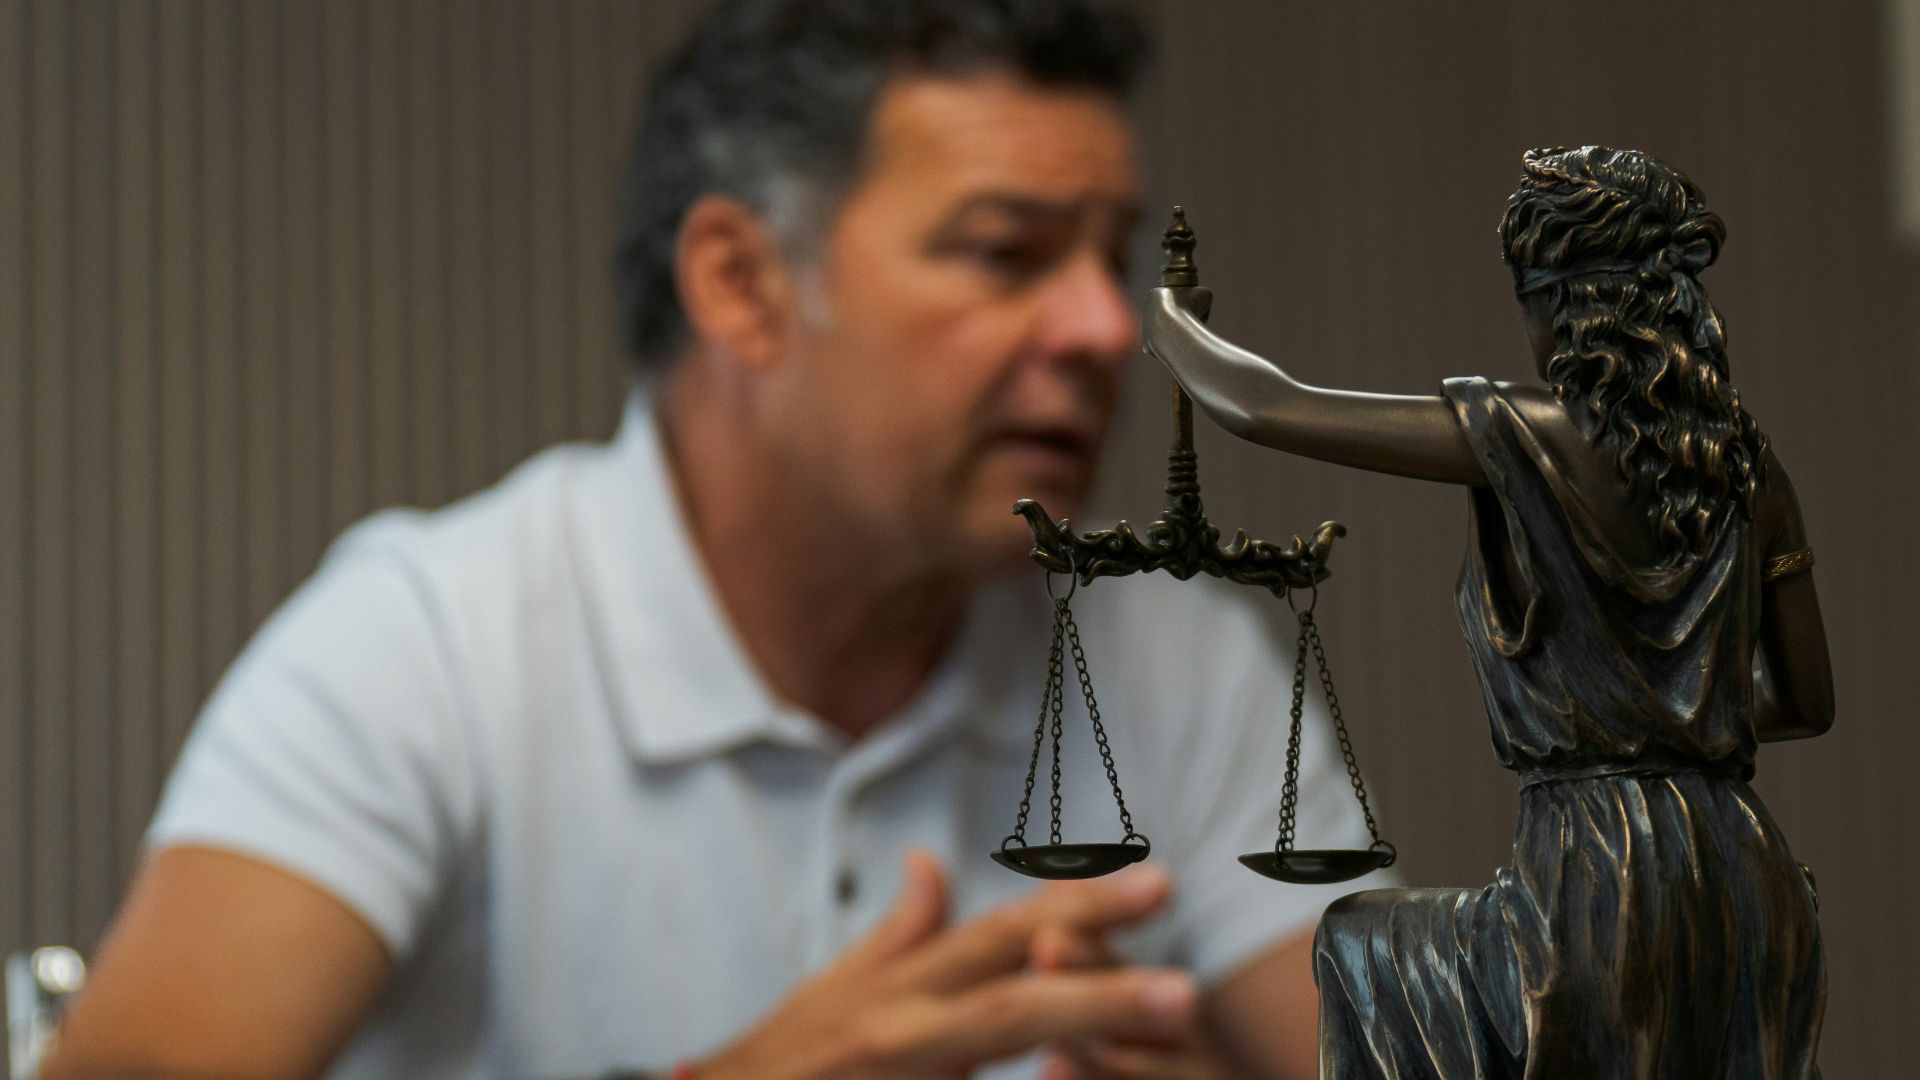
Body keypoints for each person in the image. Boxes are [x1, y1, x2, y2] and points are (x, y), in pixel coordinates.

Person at [43, 3, 1380, 1079]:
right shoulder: (431, 640)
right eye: (1006, 253)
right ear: (740, 284)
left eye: (1111, 258)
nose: (1105, 327)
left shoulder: (1181, 661)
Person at [1143, 145, 1831, 1076]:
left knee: (1359, 943)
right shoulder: (1753, 469)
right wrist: (1680, 721)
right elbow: (1806, 702)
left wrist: (1172, 322)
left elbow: (1265, 405)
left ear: (1559, 307)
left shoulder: (1524, 433)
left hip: (1596, 878)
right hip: (1745, 880)